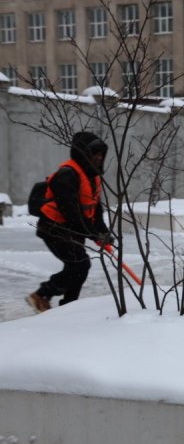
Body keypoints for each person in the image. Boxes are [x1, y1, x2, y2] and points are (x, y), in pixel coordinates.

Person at [27, 132, 112, 313]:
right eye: (94, 153)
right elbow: (71, 213)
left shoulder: (92, 176)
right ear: (82, 153)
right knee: (80, 265)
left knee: (77, 266)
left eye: (101, 154)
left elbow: (95, 209)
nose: (98, 158)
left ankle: (69, 307)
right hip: (54, 228)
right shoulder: (67, 175)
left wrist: (103, 231)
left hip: (73, 230)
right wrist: (93, 233)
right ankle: (42, 294)